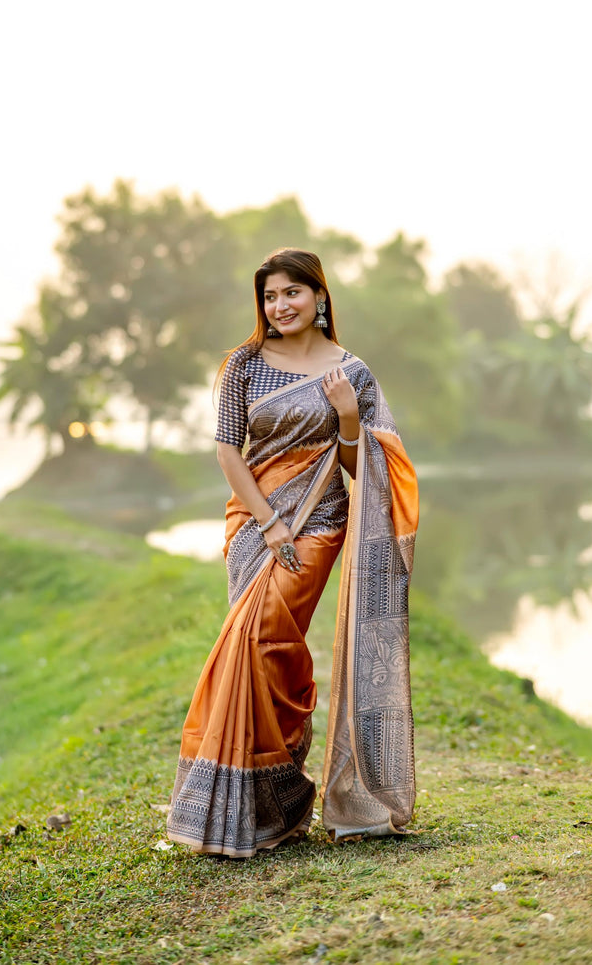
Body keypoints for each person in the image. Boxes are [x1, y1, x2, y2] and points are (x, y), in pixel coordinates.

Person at [166, 248, 418, 857]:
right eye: (270, 297)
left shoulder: (350, 373)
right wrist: (268, 522)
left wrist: (350, 420)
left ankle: (270, 794)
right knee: (256, 650)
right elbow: (229, 452)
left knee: (267, 639)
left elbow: (369, 471)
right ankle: (267, 803)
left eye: (292, 294)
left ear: (320, 296)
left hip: (320, 522)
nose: (280, 306)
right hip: (254, 525)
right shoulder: (244, 364)